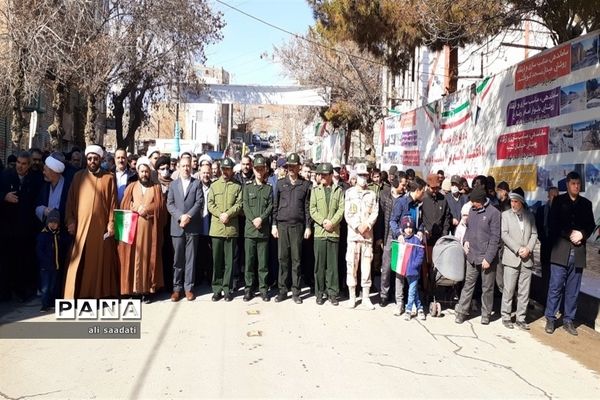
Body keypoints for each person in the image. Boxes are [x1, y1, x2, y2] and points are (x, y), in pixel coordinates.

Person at [64, 145, 119, 299]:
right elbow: (70, 202)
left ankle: (98, 295)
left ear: (100, 159)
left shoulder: (108, 178)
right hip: (81, 228)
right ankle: (78, 295)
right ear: (86, 160)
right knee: (79, 260)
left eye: (95, 158)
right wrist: (70, 221)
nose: (92, 161)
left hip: (100, 229)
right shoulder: (78, 177)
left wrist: (111, 223)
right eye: (90, 158)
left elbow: (113, 204)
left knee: (98, 263)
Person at [544, 171, 595, 336]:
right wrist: (569, 234)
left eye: (578, 184)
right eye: (573, 184)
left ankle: (568, 320)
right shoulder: (558, 202)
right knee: (555, 287)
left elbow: (591, 224)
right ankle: (551, 318)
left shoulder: (586, 204)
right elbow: (553, 224)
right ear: (567, 185)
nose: (576, 186)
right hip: (560, 251)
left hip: (578, 252)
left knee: (573, 289)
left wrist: (582, 234)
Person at [118, 157, 166, 303]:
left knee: (147, 260)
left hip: (150, 232)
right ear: (137, 171)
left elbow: (161, 208)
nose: (144, 174)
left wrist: (147, 210)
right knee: (132, 259)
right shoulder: (131, 187)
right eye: (142, 171)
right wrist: (134, 208)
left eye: (146, 171)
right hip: (133, 232)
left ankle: (146, 290)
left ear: (149, 173)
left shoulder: (156, 188)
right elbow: (124, 205)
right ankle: (133, 290)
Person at [0, 151, 43, 301]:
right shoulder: (5, 175)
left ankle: (21, 290)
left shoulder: (35, 179)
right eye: (18, 162)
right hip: (6, 228)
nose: (20, 166)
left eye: (24, 164)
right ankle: (5, 292)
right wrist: (4, 197)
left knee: (22, 262)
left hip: (25, 229)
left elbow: (38, 201)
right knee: (5, 262)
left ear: (29, 165)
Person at [455, 186, 501, 325]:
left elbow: (495, 238)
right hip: (472, 256)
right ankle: (461, 312)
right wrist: (467, 240)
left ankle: (486, 314)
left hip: (487, 258)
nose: (472, 204)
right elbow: (469, 228)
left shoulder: (494, 213)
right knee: (468, 284)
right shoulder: (472, 210)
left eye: (474, 202)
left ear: (481, 201)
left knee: (487, 288)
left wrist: (489, 258)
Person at [272, 153, 312, 304]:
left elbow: (307, 208)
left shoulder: (305, 185)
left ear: (299, 167)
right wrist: (274, 225)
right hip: (282, 225)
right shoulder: (280, 183)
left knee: (296, 259)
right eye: (288, 166)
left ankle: (296, 291)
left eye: (293, 166)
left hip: (298, 226)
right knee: (282, 259)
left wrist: (308, 226)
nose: (290, 168)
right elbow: (275, 206)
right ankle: (282, 290)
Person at [166, 156, 204, 302]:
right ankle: (176, 288)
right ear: (178, 167)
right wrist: (180, 217)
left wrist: (188, 216)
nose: (186, 168)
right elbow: (169, 204)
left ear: (191, 167)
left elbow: (199, 202)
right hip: (177, 227)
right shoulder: (173, 185)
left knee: (190, 259)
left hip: (192, 226)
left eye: (188, 166)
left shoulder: (197, 184)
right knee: (177, 259)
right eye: (183, 166)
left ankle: (189, 288)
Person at [500, 188, 538, 330]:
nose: (513, 204)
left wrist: (528, 248)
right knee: (509, 289)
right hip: (512, 257)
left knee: (524, 291)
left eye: (516, 201)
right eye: (512, 201)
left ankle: (521, 318)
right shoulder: (505, 215)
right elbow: (504, 235)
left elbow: (534, 234)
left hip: (527, 258)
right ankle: (506, 316)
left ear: (521, 202)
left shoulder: (530, 216)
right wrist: (518, 249)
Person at [389, 178, 426, 315]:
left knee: (413, 274)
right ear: (417, 191)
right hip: (402, 243)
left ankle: (413, 303)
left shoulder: (418, 205)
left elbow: (420, 222)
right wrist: (398, 234)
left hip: (414, 244)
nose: (424, 195)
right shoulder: (402, 202)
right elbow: (392, 221)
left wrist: (421, 231)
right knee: (400, 274)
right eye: (423, 192)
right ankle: (399, 303)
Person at [309, 162, 345, 306]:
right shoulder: (315, 190)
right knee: (319, 265)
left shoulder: (338, 190)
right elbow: (312, 209)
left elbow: (341, 209)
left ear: (331, 175)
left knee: (332, 266)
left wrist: (333, 223)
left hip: (333, 233)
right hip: (320, 233)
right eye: (320, 175)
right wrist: (324, 222)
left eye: (325, 175)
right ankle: (319, 293)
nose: (322, 177)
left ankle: (333, 293)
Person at [208, 157, 243, 301]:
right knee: (217, 261)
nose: (225, 172)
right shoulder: (214, 186)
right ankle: (217, 289)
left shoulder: (237, 186)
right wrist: (220, 214)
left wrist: (228, 214)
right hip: (217, 229)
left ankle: (227, 289)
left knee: (229, 262)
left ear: (232, 171)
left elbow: (240, 204)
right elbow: (210, 204)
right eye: (223, 169)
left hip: (231, 229)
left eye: (228, 169)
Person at [344, 163, 378, 310]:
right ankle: (352, 297)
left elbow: (375, 212)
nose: (363, 178)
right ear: (355, 177)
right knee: (351, 266)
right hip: (354, 236)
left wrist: (368, 225)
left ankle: (365, 297)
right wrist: (358, 225)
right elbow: (348, 213)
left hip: (367, 237)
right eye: (360, 176)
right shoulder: (349, 193)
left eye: (365, 176)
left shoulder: (372, 194)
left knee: (366, 268)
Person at [242, 155, 272, 302]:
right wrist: (254, 219)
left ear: (265, 169)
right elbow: (245, 206)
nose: (259, 172)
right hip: (250, 231)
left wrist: (261, 218)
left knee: (263, 264)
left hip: (263, 231)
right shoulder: (247, 187)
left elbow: (271, 206)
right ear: (253, 170)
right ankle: (248, 289)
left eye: (261, 169)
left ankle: (263, 289)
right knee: (249, 263)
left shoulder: (268, 189)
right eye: (257, 169)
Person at [378, 175, 405, 308]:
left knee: (399, 266)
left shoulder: (405, 199)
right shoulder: (384, 195)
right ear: (396, 183)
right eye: (402, 184)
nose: (404, 187)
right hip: (388, 234)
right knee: (386, 267)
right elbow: (380, 217)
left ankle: (397, 295)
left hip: (401, 236)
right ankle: (384, 294)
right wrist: (379, 237)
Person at [421, 174, 451, 293]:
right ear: (428, 186)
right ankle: (425, 290)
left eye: (437, 188)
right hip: (425, 239)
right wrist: (423, 231)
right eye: (432, 188)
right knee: (425, 266)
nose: (435, 190)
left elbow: (447, 218)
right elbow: (420, 218)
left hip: (439, 240)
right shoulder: (423, 199)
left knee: (436, 266)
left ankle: (435, 290)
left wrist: (443, 235)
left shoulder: (443, 199)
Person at [36, 209, 68, 311]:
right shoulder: (43, 235)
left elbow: (63, 247)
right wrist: (44, 262)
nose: (53, 224)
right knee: (45, 287)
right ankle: (44, 305)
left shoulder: (59, 235)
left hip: (56, 266)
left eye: (55, 222)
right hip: (45, 267)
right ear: (47, 222)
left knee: (53, 286)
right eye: (51, 222)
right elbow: (39, 250)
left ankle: (52, 303)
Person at [398, 216, 426, 321]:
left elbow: (421, 254)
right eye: (406, 227)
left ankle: (408, 310)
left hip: (414, 271)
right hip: (406, 270)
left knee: (411, 291)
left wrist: (415, 265)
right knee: (414, 292)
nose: (408, 230)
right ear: (403, 228)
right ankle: (420, 309)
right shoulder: (403, 240)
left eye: (410, 228)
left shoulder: (416, 240)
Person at [535, 186, 559, 305]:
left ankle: (553, 302)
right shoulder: (541, 210)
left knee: (556, 276)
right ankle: (545, 300)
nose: (554, 197)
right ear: (548, 196)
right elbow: (538, 228)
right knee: (545, 274)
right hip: (545, 246)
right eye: (552, 195)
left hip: (558, 248)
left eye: (557, 195)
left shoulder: (562, 211)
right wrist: (544, 239)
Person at [196, 163, 213, 286]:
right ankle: (198, 276)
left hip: (211, 223)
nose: (206, 175)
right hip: (198, 223)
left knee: (210, 253)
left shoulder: (214, 186)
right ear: (199, 173)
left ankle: (210, 277)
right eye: (203, 173)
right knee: (198, 252)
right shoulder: (195, 186)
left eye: (208, 173)